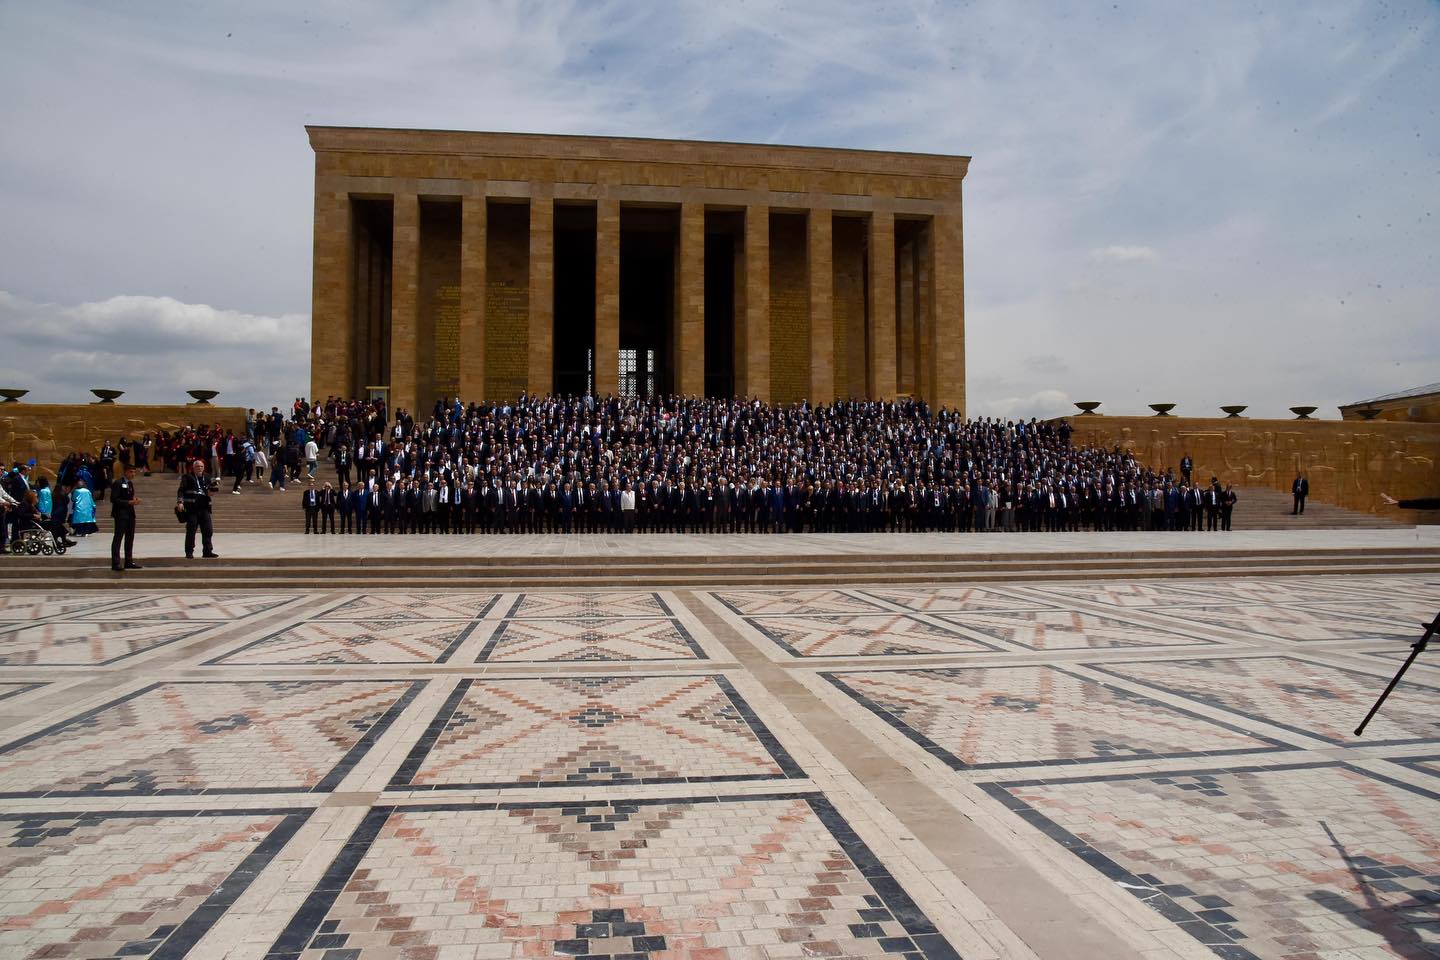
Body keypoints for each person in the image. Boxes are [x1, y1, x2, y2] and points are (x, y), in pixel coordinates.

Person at [177, 459, 219, 558]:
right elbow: (181, 490)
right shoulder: (187, 477)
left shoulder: (208, 477)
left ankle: (207, 551)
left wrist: (213, 491)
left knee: (208, 530)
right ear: (193, 468)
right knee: (191, 531)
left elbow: (213, 489)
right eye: (197, 467)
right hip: (192, 508)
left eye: (201, 466)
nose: (199, 468)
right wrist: (180, 502)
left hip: (204, 508)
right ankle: (189, 552)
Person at [110, 463, 141, 571]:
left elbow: (128, 496)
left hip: (130, 514)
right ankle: (116, 562)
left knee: (130, 537)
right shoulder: (118, 483)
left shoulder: (130, 484)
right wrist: (129, 502)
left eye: (134, 472)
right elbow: (114, 499)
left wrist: (134, 500)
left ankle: (128, 560)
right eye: (131, 472)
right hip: (120, 514)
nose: (133, 474)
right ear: (125, 472)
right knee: (118, 538)